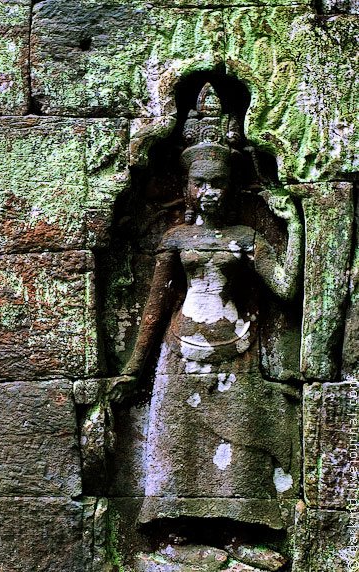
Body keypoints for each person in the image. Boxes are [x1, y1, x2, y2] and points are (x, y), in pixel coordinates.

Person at [121, 83, 303, 530]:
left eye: (219, 182)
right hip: (181, 346)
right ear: (186, 185)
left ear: (231, 185)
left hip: (235, 345)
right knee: (177, 440)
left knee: (239, 446)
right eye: (201, 182)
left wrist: (294, 225)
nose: (210, 192)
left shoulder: (244, 237)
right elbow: (154, 308)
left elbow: (284, 285)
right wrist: (133, 367)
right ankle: (175, 528)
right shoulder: (176, 239)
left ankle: (237, 525)